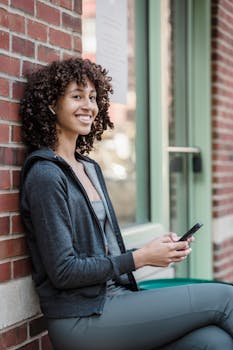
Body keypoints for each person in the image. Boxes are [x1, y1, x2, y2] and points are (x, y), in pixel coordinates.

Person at [20, 57, 233, 350]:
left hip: (117, 300)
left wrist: (158, 251)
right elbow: (64, 271)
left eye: (93, 97)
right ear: (51, 105)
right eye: (77, 96)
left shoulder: (89, 167)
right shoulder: (45, 174)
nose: (89, 106)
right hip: (80, 319)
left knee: (214, 341)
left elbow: (103, 255)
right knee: (225, 298)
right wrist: (142, 257)